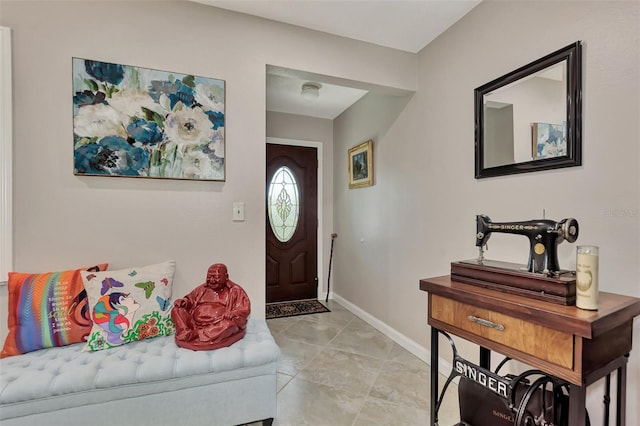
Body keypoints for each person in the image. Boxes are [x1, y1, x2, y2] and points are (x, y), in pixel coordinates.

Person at [171, 263, 251, 350]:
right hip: (194, 324)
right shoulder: (202, 289)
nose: (212, 280)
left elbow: (244, 309)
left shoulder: (235, 290)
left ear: (226, 277)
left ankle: (197, 335)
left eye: (216, 277)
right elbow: (190, 299)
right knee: (176, 310)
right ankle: (185, 332)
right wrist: (183, 302)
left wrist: (233, 313)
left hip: (217, 326)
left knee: (229, 325)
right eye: (209, 277)